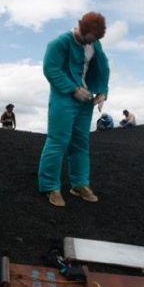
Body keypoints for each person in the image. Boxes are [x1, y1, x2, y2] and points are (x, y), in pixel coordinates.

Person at [38, 12, 110, 207]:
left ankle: (79, 184)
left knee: (80, 143)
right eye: (91, 38)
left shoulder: (94, 43)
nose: (92, 43)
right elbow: (51, 69)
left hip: (86, 100)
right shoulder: (59, 43)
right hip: (63, 99)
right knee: (57, 141)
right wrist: (73, 89)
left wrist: (103, 91)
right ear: (81, 29)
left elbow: (103, 66)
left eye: (96, 40)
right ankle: (50, 186)